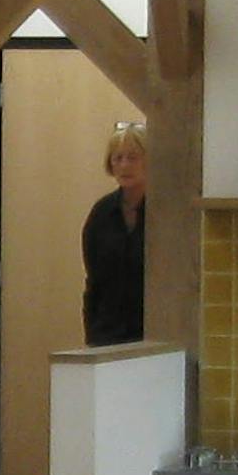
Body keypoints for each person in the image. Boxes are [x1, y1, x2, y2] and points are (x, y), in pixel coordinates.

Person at [81, 123, 148, 345]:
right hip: (107, 332)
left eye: (132, 157)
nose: (124, 165)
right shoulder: (101, 214)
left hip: (154, 332)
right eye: (117, 158)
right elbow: (94, 282)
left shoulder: (165, 213)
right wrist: (91, 337)